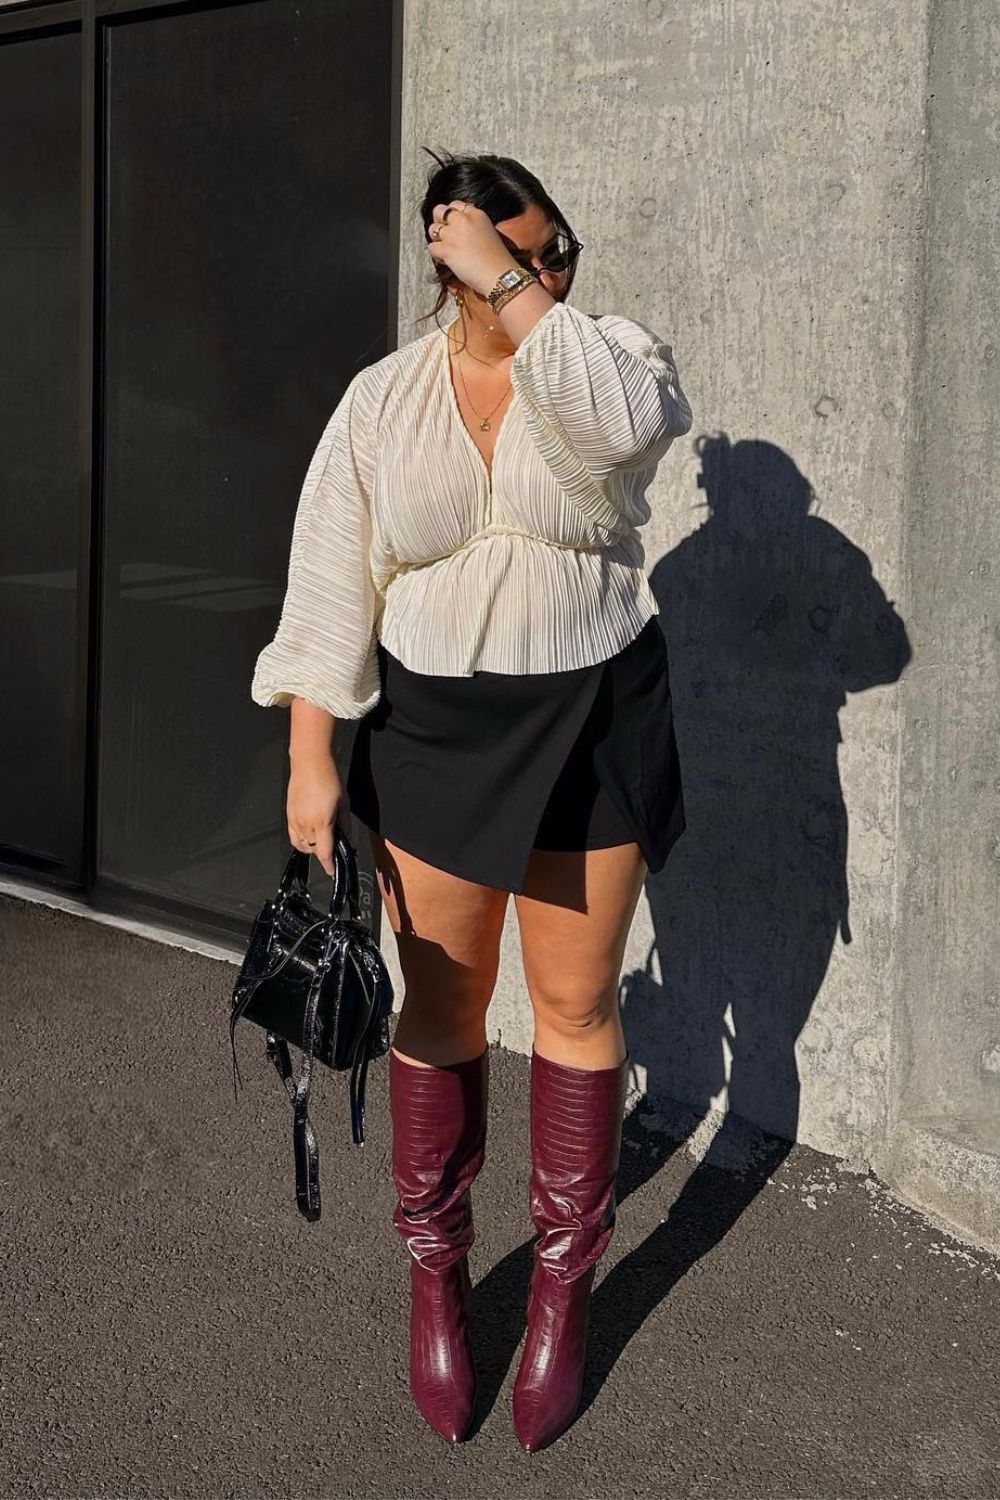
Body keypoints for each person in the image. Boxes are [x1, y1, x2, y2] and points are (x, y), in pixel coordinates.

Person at [251, 150, 693, 1451]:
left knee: (574, 1002)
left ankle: (562, 1280)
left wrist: (520, 289)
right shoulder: (383, 402)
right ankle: (436, 1271)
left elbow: (623, 432)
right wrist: (310, 759)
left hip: (591, 717)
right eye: (516, 255)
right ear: (442, 261)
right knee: (442, 999)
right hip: (435, 731)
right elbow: (336, 579)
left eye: (558, 251)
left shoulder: (602, 355)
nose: (551, 273)